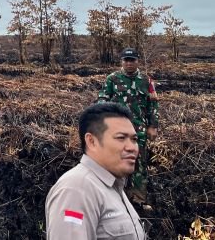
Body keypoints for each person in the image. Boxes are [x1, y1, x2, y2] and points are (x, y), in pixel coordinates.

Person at [45, 102, 146, 240]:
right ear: (92, 141)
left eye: (134, 139)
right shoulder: (76, 190)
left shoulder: (112, 186)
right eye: (121, 138)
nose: (132, 147)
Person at [97, 47, 159, 209]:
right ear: (121, 62)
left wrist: (153, 126)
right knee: (117, 160)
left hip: (139, 130)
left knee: (140, 163)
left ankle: (138, 198)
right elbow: (103, 99)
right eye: (126, 60)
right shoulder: (113, 79)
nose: (129, 63)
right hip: (117, 130)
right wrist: (101, 122)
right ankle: (117, 196)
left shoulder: (146, 80)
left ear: (137, 61)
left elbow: (153, 105)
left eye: (132, 60)